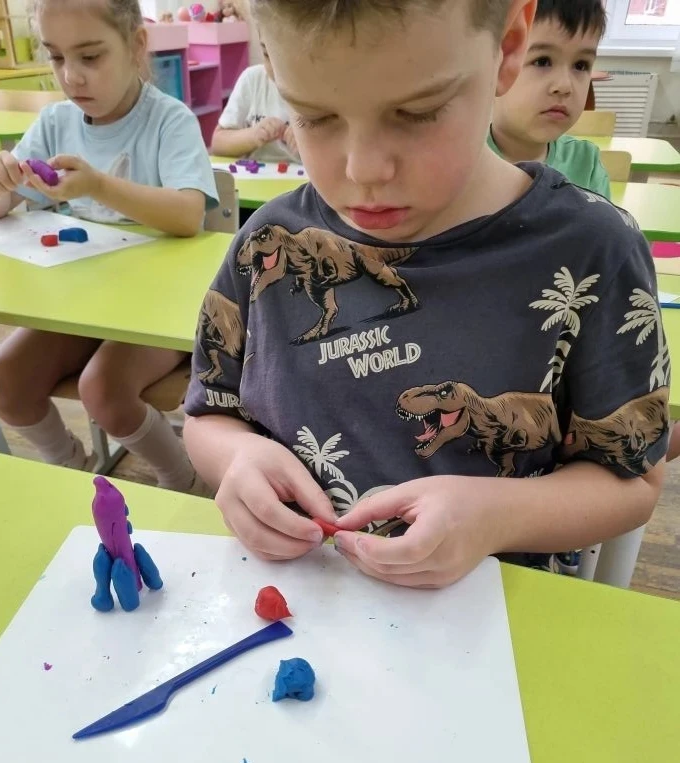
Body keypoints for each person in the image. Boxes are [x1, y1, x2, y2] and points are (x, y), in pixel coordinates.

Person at [183, 0, 669, 589]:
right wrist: (236, 458)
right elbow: (208, 415)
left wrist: (495, 517)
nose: (364, 169)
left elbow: (631, 482)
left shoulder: (595, 250)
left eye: (418, 112)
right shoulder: (266, 243)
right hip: (294, 603)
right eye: (314, 116)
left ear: (507, 48)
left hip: (489, 616)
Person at [0, 0, 217, 492]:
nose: (71, 76)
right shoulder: (55, 123)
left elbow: (189, 214)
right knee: (4, 381)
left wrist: (99, 186)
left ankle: (184, 481)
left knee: (102, 389)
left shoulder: (169, 120)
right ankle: (73, 468)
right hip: (82, 307)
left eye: (90, 56)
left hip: (160, 310)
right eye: (56, 57)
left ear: (136, 46)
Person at [489, 0, 610, 198]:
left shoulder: (586, 165)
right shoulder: (463, 159)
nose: (564, 86)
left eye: (580, 65)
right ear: (495, 64)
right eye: (542, 61)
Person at [211, 59, 300, 163]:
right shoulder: (252, 78)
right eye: (267, 56)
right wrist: (253, 135)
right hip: (255, 169)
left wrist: (310, 140)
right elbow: (218, 144)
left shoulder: (316, 85)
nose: (276, 66)